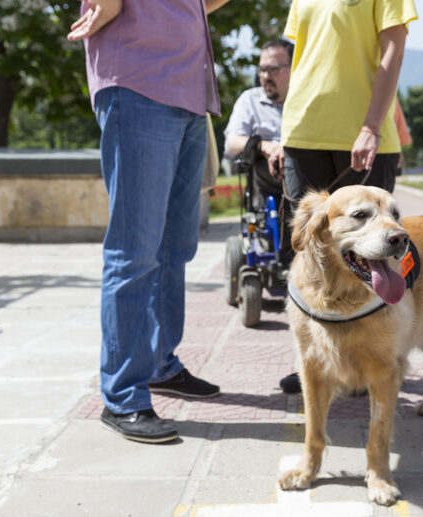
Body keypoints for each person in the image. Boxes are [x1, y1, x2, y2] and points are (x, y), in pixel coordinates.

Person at [68, 0, 228, 443]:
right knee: (135, 250)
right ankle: (123, 396)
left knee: (174, 247)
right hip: (140, 82)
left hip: (191, 91)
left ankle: (159, 363)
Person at [272, 0, 418, 394]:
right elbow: (305, 58)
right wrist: (286, 131)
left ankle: (370, 359)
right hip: (303, 131)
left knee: (375, 249)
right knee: (305, 252)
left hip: (363, 133)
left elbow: (394, 49)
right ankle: (317, 358)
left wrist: (372, 126)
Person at [224, 38, 293, 209]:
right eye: (262, 70)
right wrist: (266, 147)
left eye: (274, 69)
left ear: (294, 68)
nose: (266, 76)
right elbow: (232, 142)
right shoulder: (249, 100)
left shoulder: (309, 99)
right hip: (267, 172)